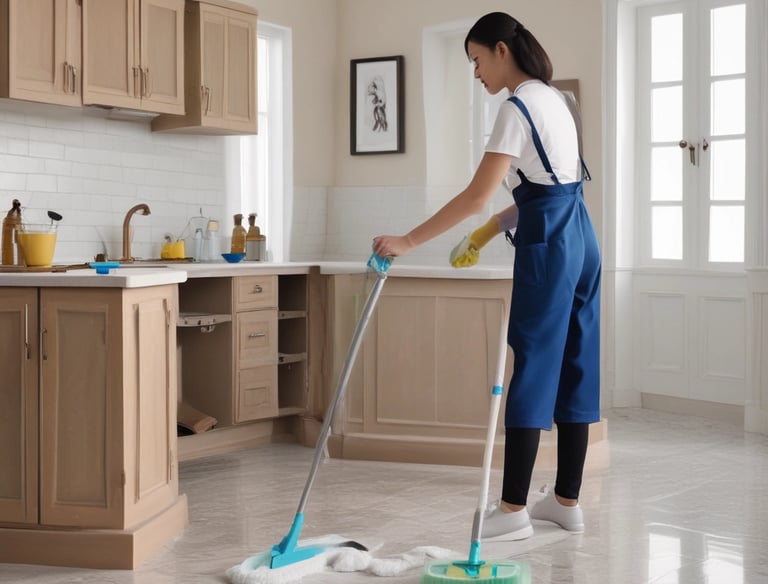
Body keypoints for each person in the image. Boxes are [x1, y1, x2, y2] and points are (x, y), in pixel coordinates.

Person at [372, 11, 601, 541]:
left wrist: (408, 241)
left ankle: (514, 508)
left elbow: (477, 195)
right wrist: (485, 234)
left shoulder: (517, 106)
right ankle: (565, 501)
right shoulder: (558, 101)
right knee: (575, 361)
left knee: (534, 364)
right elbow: (551, 190)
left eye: (477, 59)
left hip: (550, 241)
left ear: (502, 50)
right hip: (582, 237)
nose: (476, 72)